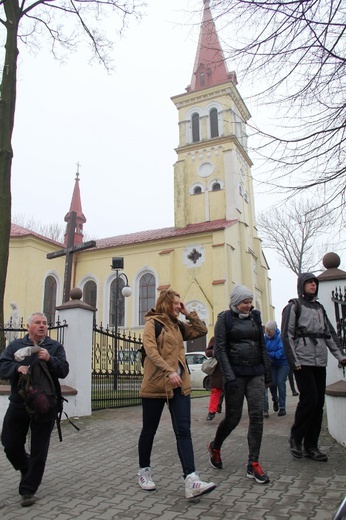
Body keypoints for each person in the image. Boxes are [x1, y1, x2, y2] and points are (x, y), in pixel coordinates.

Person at [137, 289, 216, 500]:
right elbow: (151, 351)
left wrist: (188, 312)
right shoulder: (152, 324)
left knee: (184, 431)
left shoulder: (179, 326)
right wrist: (168, 371)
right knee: (149, 431)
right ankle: (144, 471)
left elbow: (200, 330)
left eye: (180, 304)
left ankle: (191, 480)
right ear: (164, 304)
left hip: (180, 385)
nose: (178, 307)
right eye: (175, 303)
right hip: (155, 385)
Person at [0, 312, 69, 507]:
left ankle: (28, 490)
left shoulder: (54, 347)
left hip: (45, 404)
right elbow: (2, 365)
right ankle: (25, 466)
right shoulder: (16, 346)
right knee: (9, 443)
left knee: (39, 449)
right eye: (37, 323)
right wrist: (16, 368)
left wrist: (50, 359)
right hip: (19, 402)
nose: (41, 326)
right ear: (28, 327)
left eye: (44, 323)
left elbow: (64, 370)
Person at [208, 284, 272, 484]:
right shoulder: (224, 319)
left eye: (250, 302)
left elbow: (261, 344)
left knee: (257, 417)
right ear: (236, 303)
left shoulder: (255, 317)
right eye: (245, 302)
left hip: (255, 373)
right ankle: (215, 447)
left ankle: (253, 464)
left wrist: (267, 371)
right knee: (233, 418)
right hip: (235, 374)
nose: (249, 305)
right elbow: (220, 350)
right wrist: (230, 377)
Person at [281, 273, 346, 462]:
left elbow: (329, 334)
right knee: (309, 400)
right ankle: (296, 437)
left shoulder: (319, 308)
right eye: (309, 283)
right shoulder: (293, 307)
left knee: (318, 404)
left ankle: (312, 445)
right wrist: (294, 361)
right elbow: (287, 335)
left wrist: (341, 356)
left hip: (320, 361)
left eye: (314, 283)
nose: (312, 285)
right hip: (303, 361)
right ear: (302, 285)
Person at [264, 320, 290, 417]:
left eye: (270, 331)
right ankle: (275, 399)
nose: (268, 333)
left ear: (274, 330)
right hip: (272, 364)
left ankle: (282, 407)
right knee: (272, 383)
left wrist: (269, 354)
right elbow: (263, 349)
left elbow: (280, 353)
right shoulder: (265, 337)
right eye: (267, 331)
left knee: (280, 383)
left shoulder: (280, 337)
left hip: (283, 363)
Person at [205, 336, 224, 421]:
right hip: (217, 371)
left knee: (232, 391)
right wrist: (214, 352)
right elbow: (207, 352)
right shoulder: (214, 338)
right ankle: (212, 411)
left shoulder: (232, 336)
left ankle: (233, 412)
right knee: (216, 391)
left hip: (230, 369)